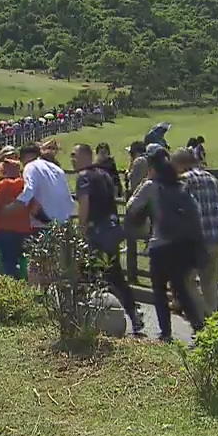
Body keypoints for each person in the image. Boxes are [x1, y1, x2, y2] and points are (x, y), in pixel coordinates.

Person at [124, 147, 206, 342]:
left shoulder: (151, 185)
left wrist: (143, 182)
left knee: (159, 290)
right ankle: (198, 326)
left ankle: (166, 333)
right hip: (183, 244)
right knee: (180, 288)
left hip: (160, 244)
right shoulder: (180, 185)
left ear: (152, 168)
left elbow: (131, 206)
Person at [71, 144, 143, 335]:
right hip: (112, 230)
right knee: (115, 275)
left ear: (86, 156)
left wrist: (81, 230)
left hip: (96, 234)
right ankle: (134, 314)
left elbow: (84, 204)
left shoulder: (83, 177)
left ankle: (83, 317)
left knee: (86, 275)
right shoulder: (104, 175)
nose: (72, 159)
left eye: (74, 155)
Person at [173, 148, 218, 319]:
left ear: (179, 165)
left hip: (196, 242)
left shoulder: (183, 181)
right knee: (210, 283)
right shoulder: (212, 179)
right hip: (217, 239)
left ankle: (202, 315)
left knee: (185, 281)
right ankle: (212, 319)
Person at [0, 154, 32, 279]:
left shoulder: (1, 186)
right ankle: (25, 280)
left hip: (3, 228)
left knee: (7, 259)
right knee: (21, 257)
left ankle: (1, 281)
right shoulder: (25, 186)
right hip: (22, 229)